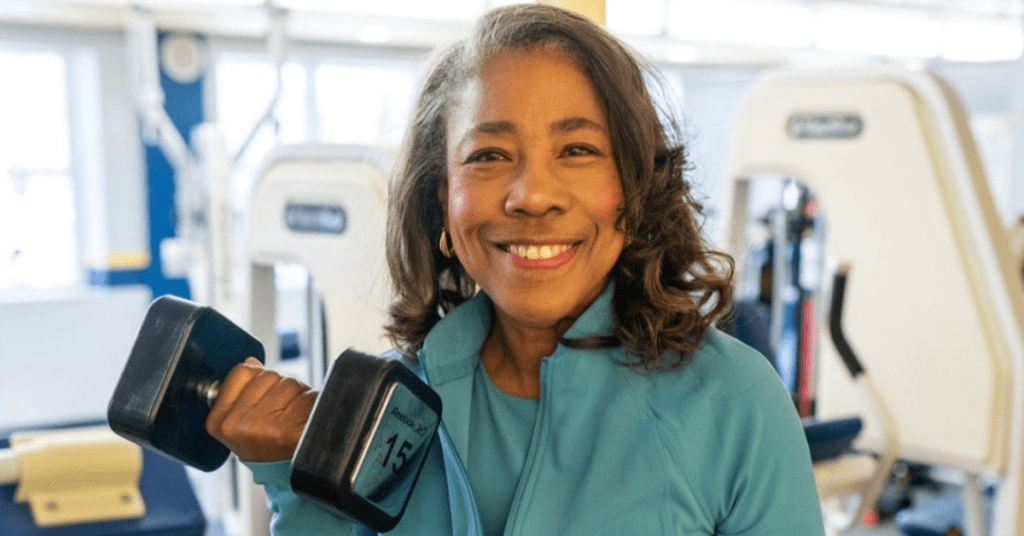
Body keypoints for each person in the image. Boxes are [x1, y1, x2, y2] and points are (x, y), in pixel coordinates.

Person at [205, 4, 825, 535]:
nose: (532, 194)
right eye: (489, 155)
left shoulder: (735, 401)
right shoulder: (381, 406)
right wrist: (293, 477)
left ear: (634, 193)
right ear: (441, 207)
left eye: (578, 150)